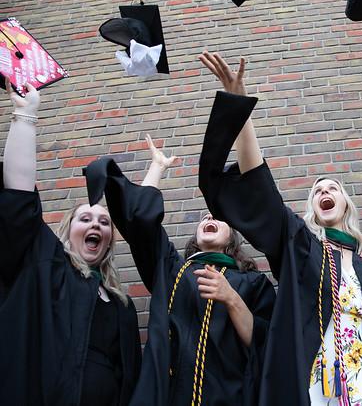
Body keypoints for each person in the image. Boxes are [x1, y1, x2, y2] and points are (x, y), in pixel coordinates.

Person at [196, 51, 362, 406]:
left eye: (333, 188)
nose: (324, 191)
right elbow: (264, 199)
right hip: (319, 382)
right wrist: (241, 113)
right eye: (317, 190)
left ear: (346, 203)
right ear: (313, 212)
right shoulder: (304, 248)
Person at [83, 134, 276, 406]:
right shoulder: (172, 270)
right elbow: (140, 224)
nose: (210, 217)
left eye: (219, 218)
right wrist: (157, 168)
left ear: (233, 236)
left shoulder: (253, 283)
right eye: (205, 217)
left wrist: (231, 298)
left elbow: (266, 344)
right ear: (195, 238)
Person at [0, 80, 141, 405]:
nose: (97, 224)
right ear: (66, 232)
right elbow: (19, 200)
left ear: (108, 242)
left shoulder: (122, 305)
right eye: (86, 219)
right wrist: (25, 117)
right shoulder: (47, 266)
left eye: (104, 222)